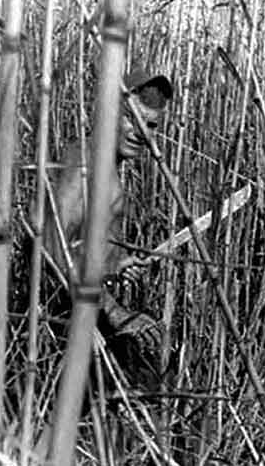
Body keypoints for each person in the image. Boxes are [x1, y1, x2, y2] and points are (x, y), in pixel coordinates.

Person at [42, 67, 173, 388]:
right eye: (132, 118)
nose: (143, 133)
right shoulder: (85, 162)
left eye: (152, 125)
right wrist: (113, 313)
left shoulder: (107, 167)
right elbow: (50, 244)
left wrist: (116, 263)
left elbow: (78, 246)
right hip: (64, 324)